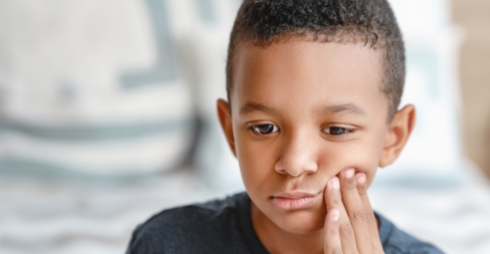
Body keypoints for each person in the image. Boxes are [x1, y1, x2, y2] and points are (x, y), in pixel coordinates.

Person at [127, 0, 444, 253]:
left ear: (393, 138)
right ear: (230, 130)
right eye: (264, 128)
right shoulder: (164, 243)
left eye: (336, 130)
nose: (294, 163)